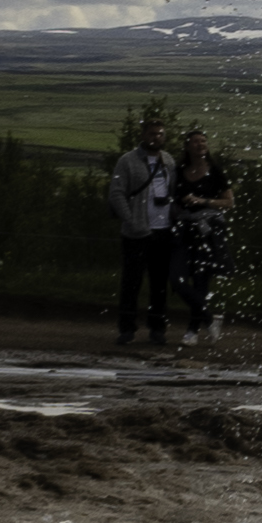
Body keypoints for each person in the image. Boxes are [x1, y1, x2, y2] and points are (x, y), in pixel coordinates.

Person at [106, 109, 177, 347]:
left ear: (164, 137)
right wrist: (131, 220)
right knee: (131, 283)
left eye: (160, 134)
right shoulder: (127, 161)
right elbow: (116, 193)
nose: (156, 137)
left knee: (159, 284)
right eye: (152, 133)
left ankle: (157, 329)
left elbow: (173, 192)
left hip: (163, 230)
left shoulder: (169, 160)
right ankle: (127, 329)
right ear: (143, 135)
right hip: (136, 232)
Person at [169, 131, 234, 340]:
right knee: (177, 280)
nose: (201, 144)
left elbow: (229, 202)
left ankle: (192, 330)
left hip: (208, 233)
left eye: (204, 141)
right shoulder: (179, 171)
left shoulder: (215, 172)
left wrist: (203, 201)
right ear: (187, 147)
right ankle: (208, 318)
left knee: (201, 282)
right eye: (196, 141)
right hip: (184, 230)